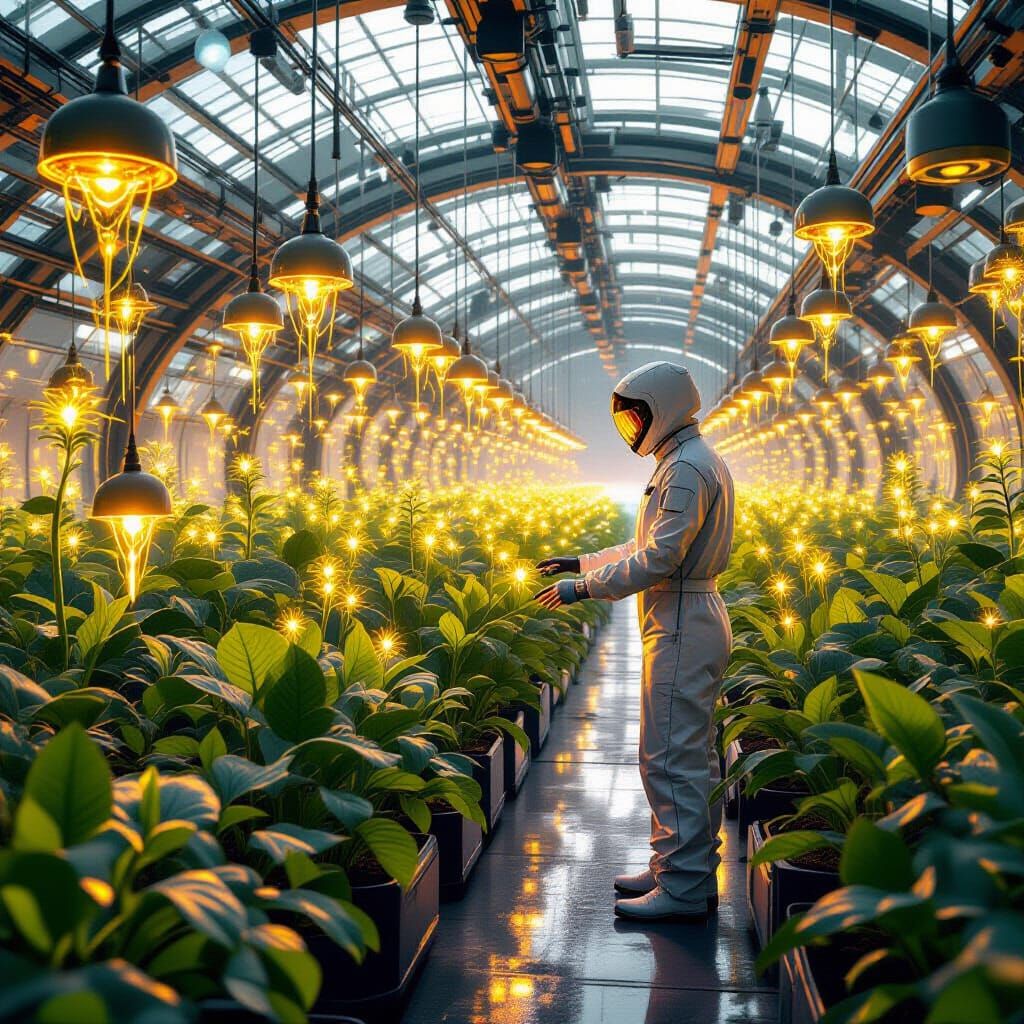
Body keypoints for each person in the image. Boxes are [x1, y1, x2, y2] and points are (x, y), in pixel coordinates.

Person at [534, 361, 734, 922]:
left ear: (664, 408)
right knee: (685, 753)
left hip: (682, 619)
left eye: (635, 417)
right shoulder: (684, 460)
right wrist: (585, 560)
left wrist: (583, 586)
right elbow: (647, 542)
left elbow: (660, 558)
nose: (630, 430)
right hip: (682, 614)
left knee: (671, 757)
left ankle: (687, 886)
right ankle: (674, 863)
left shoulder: (688, 468)